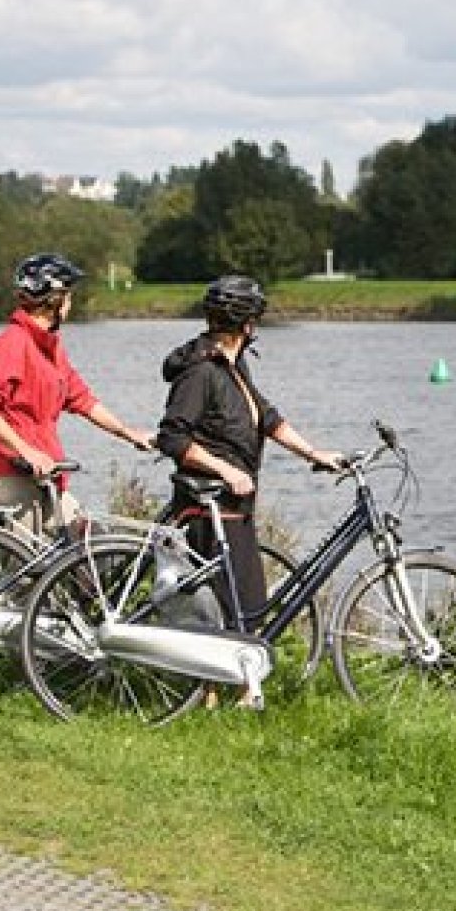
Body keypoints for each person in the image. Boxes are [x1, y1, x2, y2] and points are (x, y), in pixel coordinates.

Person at [156, 275, 348, 644]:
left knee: (247, 607)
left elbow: (268, 419)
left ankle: (233, 690)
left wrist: (314, 453)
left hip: (235, 506)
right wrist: (227, 471)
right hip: (208, 507)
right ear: (247, 324)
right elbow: (173, 438)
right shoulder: (200, 373)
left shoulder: (233, 365)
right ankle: (220, 691)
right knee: (224, 608)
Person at [0, 252, 155, 533]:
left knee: (89, 542)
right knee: (33, 568)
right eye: (68, 295)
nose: (70, 302)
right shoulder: (12, 344)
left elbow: (82, 399)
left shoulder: (50, 349)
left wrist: (128, 433)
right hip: (11, 475)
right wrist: (26, 451)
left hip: (43, 474)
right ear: (54, 301)